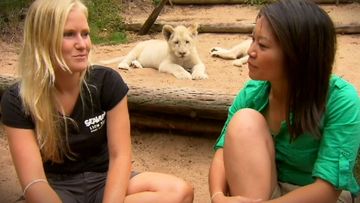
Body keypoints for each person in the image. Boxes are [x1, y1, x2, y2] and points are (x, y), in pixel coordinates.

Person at [0, 0, 194, 202]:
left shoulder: (106, 82)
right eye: (68, 34)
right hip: (56, 186)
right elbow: (34, 182)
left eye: (85, 33)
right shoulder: (18, 99)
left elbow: (120, 157)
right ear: (42, 39)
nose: (83, 44)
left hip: (105, 179)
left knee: (180, 192)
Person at [208, 0, 360, 203]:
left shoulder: (341, 100)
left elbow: (328, 189)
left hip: (318, 198)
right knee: (244, 120)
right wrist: (217, 196)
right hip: (264, 191)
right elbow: (222, 151)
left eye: (262, 45)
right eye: (252, 40)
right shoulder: (253, 93)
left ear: (297, 55)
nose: (251, 52)